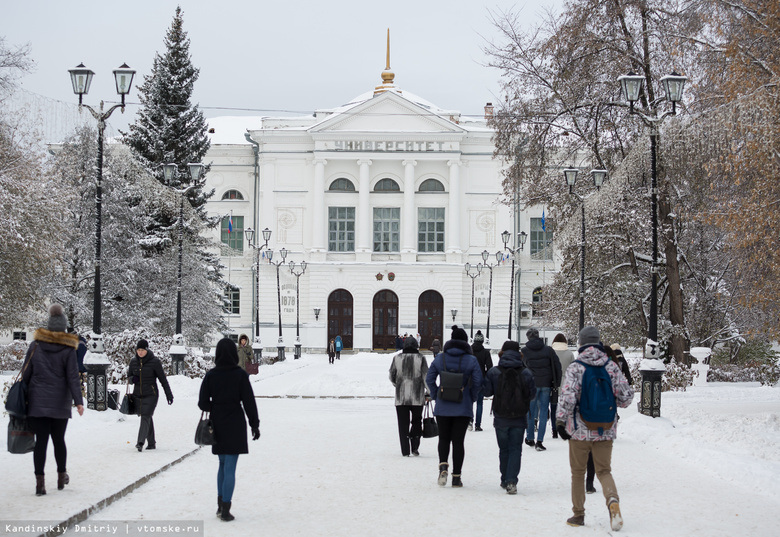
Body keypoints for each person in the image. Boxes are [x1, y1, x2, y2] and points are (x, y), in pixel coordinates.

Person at [556, 326, 634, 530]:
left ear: (581, 343)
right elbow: (626, 398)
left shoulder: (576, 367)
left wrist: (561, 421)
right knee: (604, 470)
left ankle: (578, 515)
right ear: (599, 342)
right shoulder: (611, 366)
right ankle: (612, 502)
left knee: (578, 473)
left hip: (578, 429)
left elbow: (567, 397)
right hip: (605, 428)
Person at [22, 304, 85, 496]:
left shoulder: (35, 346)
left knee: (40, 442)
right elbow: (73, 377)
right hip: (60, 402)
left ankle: (39, 483)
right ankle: (60, 476)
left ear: (48, 327)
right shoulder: (68, 349)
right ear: (64, 328)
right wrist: (79, 401)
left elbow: (26, 373)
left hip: (37, 402)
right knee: (59, 440)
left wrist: (24, 395)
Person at [198, 338, 260, 522]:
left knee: (222, 464)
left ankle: (219, 505)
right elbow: (249, 402)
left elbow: (202, 403)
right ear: (233, 354)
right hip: (235, 422)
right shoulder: (239, 375)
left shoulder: (211, 375)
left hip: (217, 422)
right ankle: (226, 508)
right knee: (231, 467)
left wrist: (215, 405)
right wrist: (254, 424)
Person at [425, 325, 482, 488]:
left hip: (443, 405)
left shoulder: (440, 358)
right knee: (458, 442)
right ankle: (456, 477)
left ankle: (443, 466)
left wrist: (436, 395)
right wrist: (471, 397)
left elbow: (429, 379)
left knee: (443, 438)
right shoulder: (471, 360)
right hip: (462, 406)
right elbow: (478, 381)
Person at [482, 340, 536, 495]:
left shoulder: (494, 371)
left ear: (502, 353)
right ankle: (512, 480)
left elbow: (486, 392)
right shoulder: (526, 372)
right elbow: (532, 394)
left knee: (503, 449)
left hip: (500, 417)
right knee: (515, 449)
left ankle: (504, 477)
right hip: (519, 417)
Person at [128, 339, 173, 452]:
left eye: (142, 350)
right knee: (147, 416)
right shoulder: (133, 362)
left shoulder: (154, 362)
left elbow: (163, 379)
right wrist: (133, 379)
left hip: (151, 394)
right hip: (138, 394)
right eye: (138, 350)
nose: (140, 352)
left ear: (147, 350)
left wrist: (169, 394)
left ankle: (140, 442)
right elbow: (129, 377)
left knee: (145, 416)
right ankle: (151, 443)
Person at [388, 337, 429, 456]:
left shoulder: (397, 358)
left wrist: (398, 384)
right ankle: (415, 447)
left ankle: (405, 450)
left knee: (402, 424)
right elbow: (426, 377)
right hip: (417, 396)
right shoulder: (421, 358)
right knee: (417, 421)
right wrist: (429, 392)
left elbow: (391, 375)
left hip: (401, 397)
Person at [522, 328, 561, 451]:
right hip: (546, 383)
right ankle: (540, 441)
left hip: (531, 384)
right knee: (544, 411)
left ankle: (530, 437)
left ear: (528, 337)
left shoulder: (524, 351)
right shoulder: (548, 350)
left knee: (530, 411)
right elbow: (557, 366)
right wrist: (557, 383)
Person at [550, 333, 574, 439]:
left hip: (553, 382)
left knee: (553, 407)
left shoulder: (550, 353)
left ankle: (554, 430)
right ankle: (564, 427)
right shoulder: (569, 354)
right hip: (566, 384)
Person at [471, 330, 493, 432]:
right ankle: (478, 424)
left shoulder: (470, 351)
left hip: (470, 379)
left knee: (470, 402)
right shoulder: (485, 353)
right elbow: (490, 367)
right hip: (481, 379)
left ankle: (470, 421)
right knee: (480, 403)